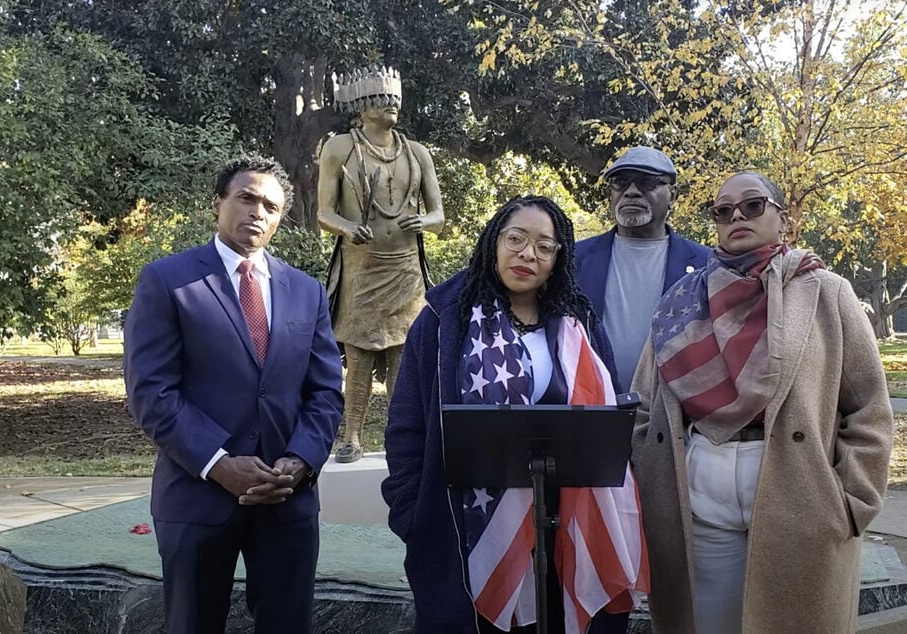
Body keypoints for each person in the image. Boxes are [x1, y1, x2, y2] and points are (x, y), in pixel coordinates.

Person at [631, 171, 894, 633]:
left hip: (798, 493)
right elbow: (643, 402)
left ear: (782, 218)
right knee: (707, 624)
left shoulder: (827, 293)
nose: (737, 216)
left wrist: (850, 501)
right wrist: (649, 481)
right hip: (698, 489)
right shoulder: (680, 300)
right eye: (723, 210)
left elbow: (869, 407)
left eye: (753, 205)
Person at [382, 195, 648, 634]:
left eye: (546, 246)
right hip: (467, 531)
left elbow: (608, 418)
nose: (529, 253)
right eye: (517, 238)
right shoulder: (444, 320)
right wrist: (411, 514)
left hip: (563, 533)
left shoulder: (579, 320)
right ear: (494, 242)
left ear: (558, 258)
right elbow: (406, 426)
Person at [123, 155, 344, 633]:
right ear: (218, 203)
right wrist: (220, 464)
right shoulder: (168, 281)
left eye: (272, 205)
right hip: (197, 498)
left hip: (288, 499)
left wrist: (300, 460)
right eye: (246, 198)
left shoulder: (307, 291)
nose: (258, 212)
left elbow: (325, 392)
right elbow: (152, 392)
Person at [317, 65, 445, 463]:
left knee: (403, 357)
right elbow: (323, 213)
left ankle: (400, 434)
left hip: (405, 267)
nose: (391, 107)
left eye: (394, 100)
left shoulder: (416, 152)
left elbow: (439, 216)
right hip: (362, 266)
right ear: (362, 106)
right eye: (381, 100)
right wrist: (349, 227)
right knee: (359, 355)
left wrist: (422, 220)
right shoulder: (340, 148)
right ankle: (352, 436)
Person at [575, 146, 710, 390]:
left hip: (671, 414)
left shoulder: (706, 265)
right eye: (620, 182)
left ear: (673, 194)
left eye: (647, 182)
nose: (632, 192)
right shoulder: (573, 260)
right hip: (593, 410)